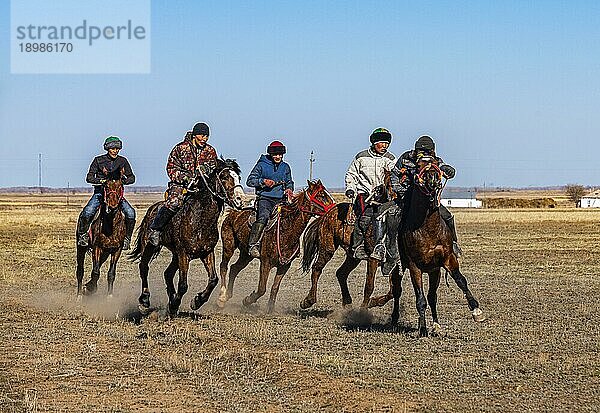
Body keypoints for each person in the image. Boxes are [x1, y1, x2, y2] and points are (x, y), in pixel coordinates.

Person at [147, 122, 218, 246]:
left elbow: (214, 167)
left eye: (207, 136)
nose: (204, 138)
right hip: (180, 185)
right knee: (173, 202)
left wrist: (207, 170)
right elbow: (171, 168)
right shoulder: (180, 148)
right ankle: (156, 229)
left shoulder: (210, 150)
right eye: (202, 135)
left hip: (202, 186)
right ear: (195, 135)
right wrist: (184, 178)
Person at [390, 135, 462, 257]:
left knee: (447, 216)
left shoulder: (436, 161)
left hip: (429, 199)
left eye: (428, 151)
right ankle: (392, 249)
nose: (424, 153)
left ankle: (453, 243)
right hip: (407, 197)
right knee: (393, 218)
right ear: (416, 150)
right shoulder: (406, 158)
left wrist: (450, 171)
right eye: (421, 151)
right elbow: (394, 174)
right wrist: (400, 190)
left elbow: (445, 170)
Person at [344, 128, 396, 261]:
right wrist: (350, 188)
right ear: (374, 142)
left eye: (387, 143)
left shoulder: (391, 159)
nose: (385, 146)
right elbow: (352, 174)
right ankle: (357, 246)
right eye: (382, 143)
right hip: (364, 194)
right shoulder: (361, 156)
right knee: (365, 218)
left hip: (383, 196)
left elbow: (395, 176)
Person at [76, 136, 136, 249]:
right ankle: (83, 236)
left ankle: (127, 239)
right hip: (100, 194)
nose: (115, 151)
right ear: (107, 149)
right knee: (87, 212)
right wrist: (101, 181)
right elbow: (89, 177)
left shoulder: (123, 161)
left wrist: (123, 181)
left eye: (117, 148)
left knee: (131, 213)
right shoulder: (98, 160)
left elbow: (132, 177)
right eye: (113, 148)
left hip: (117, 196)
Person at [246, 140, 294, 258]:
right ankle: (253, 245)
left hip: (281, 200)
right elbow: (249, 181)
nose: (278, 157)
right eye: (275, 154)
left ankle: (291, 247)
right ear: (271, 154)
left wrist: (289, 189)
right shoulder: (261, 165)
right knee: (263, 217)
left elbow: (289, 182)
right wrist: (262, 181)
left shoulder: (285, 167)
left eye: (280, 154)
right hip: (265, 199)